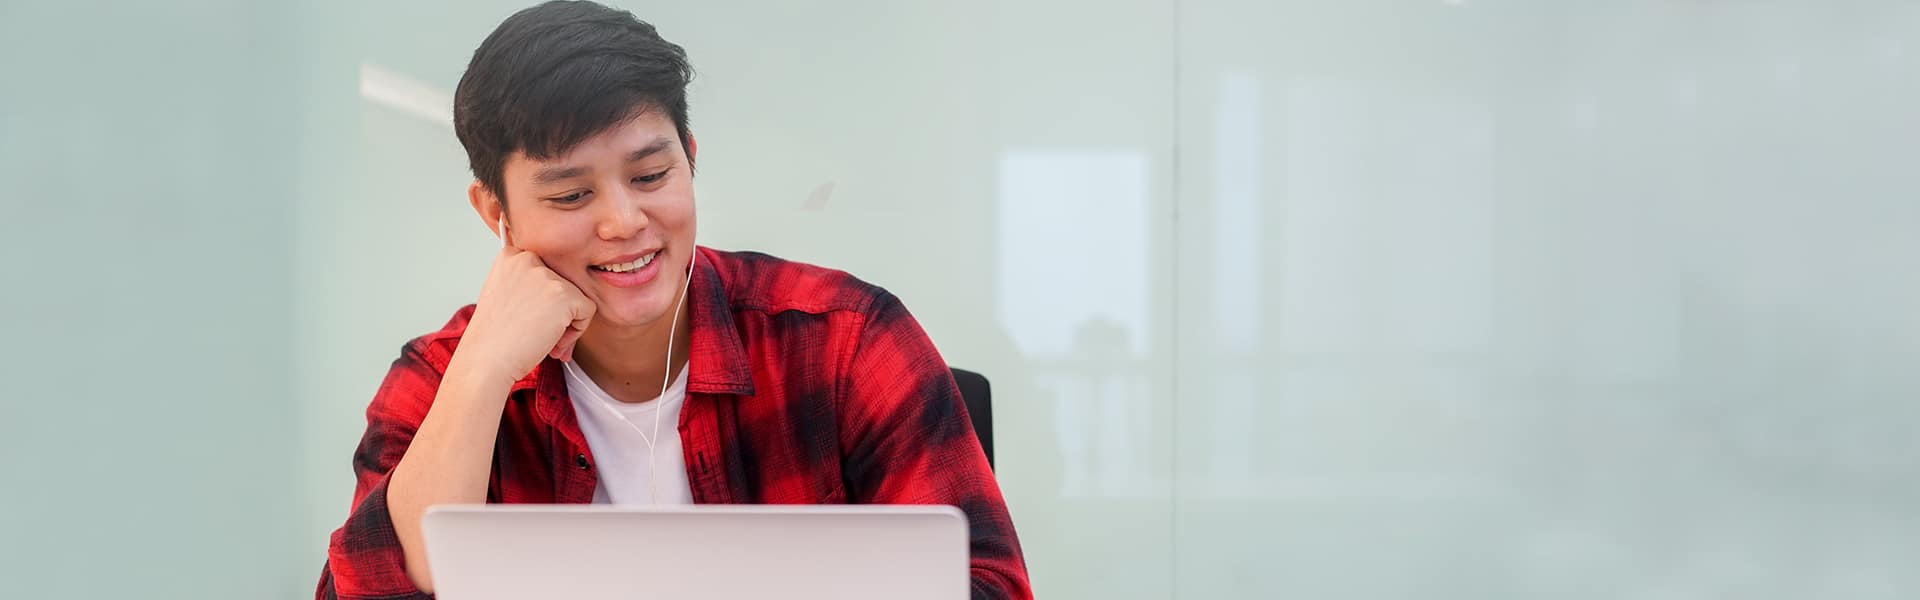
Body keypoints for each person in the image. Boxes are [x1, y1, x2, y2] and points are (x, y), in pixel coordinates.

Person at [313, 2, 1030, 598]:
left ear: (690, 154)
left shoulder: (845, 339)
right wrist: (479, 377)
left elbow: (988, 584)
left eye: (652, 175)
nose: (624, 222)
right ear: (494, 212)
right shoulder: (441, 376)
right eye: (570, 194)